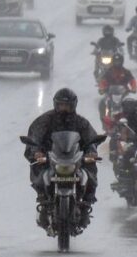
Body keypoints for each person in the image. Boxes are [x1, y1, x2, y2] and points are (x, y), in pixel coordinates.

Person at [24, 88, 100, 226]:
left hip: (75, 159)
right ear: (55, 104)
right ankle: (43, 199)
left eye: (67, 105)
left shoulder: (81, 122)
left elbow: (91, 139)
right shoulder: (45, 120)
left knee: (90, 169)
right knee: (38, 168)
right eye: (61, 105)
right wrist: (36, 151)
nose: (64, 108)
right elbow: (35, 137)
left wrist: (91, 152)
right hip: (51, 158)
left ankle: (86, 203)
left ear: (74, 105)